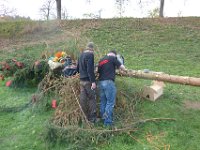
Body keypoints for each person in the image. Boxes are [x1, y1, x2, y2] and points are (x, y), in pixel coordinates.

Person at [97, 50, 126, 126]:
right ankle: (108, 122)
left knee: (103, 102)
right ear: (114, 55)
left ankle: (103, 119)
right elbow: (121, 67)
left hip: (100, 83)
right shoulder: (113, 58)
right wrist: (125, 70)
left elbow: (98, 71)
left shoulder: (101, 60)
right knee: (110, 102)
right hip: (109, 83)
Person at [77, 42, 97, 123]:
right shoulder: (90, 55)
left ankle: (84, 117)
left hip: (81, 81)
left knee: (83, 99)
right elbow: (89, 70)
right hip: (88, 81)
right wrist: (93, 82)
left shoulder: (81, 55)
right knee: (92, 98)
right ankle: (92, 118)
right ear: (92, 49)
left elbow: (77, 69)